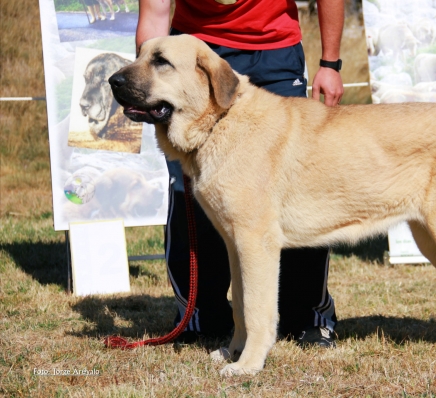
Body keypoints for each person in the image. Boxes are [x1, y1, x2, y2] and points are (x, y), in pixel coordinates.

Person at [136, 0, 345, 347]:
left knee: (298, 189)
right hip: (194, 52)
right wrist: (149, 86)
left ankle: (308, 316)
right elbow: (155, 14)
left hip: (275, 51)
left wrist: (330, 62)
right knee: (191, 189)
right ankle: (202, 317)